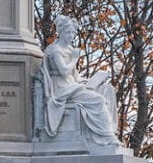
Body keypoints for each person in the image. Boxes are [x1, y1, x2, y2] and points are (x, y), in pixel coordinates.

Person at [39, 14, 119, 146]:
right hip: (61, 88)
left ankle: (108, 131)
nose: (71, 35)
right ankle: (106, 136)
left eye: (72, 32)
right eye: (68, 32)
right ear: (60, 32)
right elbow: (64, 71)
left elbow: (74, 75)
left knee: (106, 90)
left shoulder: (69, 49)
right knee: (98, 100)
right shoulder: (55, 50)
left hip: (72, 85)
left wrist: (88, 81)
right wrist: (75, 58)